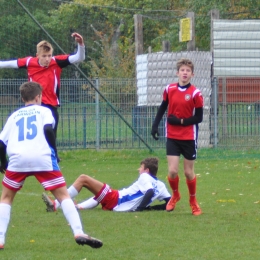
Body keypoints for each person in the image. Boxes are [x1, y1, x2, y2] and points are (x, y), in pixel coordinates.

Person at [0, 82, 102, 250]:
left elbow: (1, 142)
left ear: (22, 98)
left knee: (6, 198)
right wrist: (54, 150)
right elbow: (48, 129)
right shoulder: (45, 111)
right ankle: (78, 232)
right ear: (38, 97)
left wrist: (3, 162)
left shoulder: (14, 116)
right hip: (42, 157)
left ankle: (1, 239)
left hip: (17, 158)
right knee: (63, 196)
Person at [0, 32, 85, 161]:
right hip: (34, 105)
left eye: (49, 55)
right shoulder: (29, 62)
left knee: (50, 133)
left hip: (51, 105)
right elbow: (9, 64)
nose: (47, 59)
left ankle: (53, 156)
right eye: (44, 56)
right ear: (37, 55)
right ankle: (31, 156)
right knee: (36, 134)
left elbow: (78, 58)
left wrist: (81, 44)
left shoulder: (56, 62)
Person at [151, 58, 203, 216]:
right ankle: (175, 195)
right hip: (172, 136)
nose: (185, 73)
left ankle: (193, 201)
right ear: (177, 72)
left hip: (189, 137)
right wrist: (155, 125)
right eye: (182, 70)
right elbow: (163, 107)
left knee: (188, 172)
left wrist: (180, 121)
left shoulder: (195, 93)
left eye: (188, 71)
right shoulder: (169, 89)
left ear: (192, 74)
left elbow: (199, 118)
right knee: (172, 171)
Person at [42, 157, 171, 212]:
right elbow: (169, 203)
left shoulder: (145, 177)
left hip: (116, 199)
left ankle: (56, 204)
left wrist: (140, 209)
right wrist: (151, 208)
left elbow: (149, 191)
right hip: (116, 200)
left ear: (147, 170)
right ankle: (78, 208)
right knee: (99, 195)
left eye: (141, 167)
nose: (139, 170)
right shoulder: (161, 185)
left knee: (83, 179)